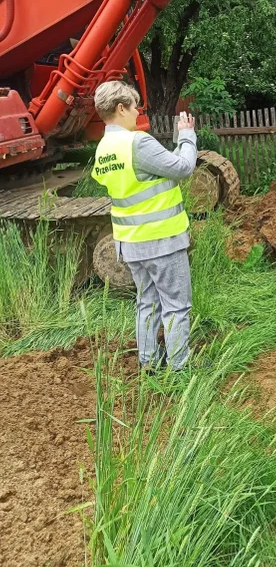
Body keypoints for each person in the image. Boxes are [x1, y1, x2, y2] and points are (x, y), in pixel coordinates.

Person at [92, 80, 197, 373]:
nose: (137, 111)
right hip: (161, 239)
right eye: (134, 106)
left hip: (130, 242)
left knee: (147, 303)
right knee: (176, 306)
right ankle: (180, 369)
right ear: (120, 108)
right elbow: (183, 168)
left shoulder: (104, 148)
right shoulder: (137, 143)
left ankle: (148, 363)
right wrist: (187, 137)